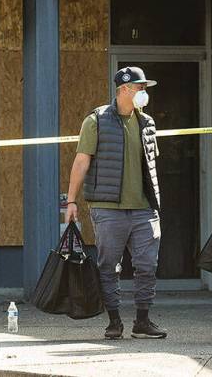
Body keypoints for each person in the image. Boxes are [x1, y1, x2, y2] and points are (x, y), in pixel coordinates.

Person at [64, 66, 166, 340]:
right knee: (109, 266)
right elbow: (81, 161)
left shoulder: (147, 122)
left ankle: (142, 321)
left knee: (147, 266)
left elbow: (151, 165)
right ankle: (114, 321)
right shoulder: (96, 120)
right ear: (124, 89)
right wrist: (71, 201)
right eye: (139, 88)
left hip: (144, 208)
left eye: (144, 88)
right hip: (108, 208)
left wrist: (155, 200)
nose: (143, 92)